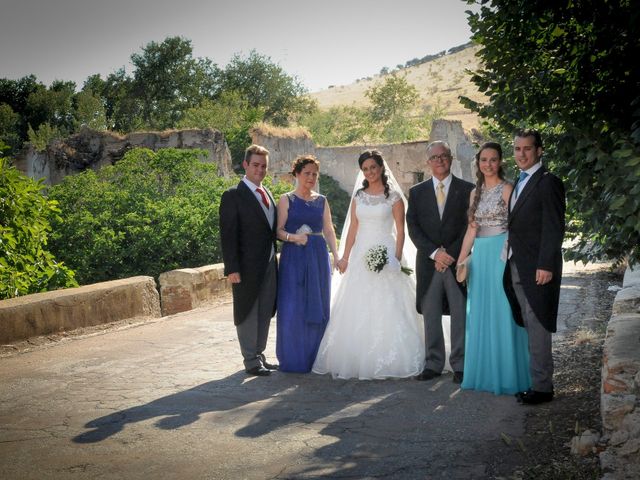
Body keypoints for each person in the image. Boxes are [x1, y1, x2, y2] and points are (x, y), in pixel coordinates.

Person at [312, 150, 425, 380]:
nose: (370, 172)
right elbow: (353, 228)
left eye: (373, 167)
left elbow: (401, 231)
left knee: (391, 304)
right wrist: (344, 257)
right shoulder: (359, 196)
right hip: (362, 254)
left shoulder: (393, 197)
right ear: (362, 171)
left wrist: (395, 257)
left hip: (387, 251)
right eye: (365, 169)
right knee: (358, 305)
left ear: (381, 167)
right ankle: (357, 357)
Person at [456, 142, 531, 395]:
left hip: (501, 254)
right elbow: (471, 229)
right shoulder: (474, 193)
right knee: (480, 313)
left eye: (493, 160)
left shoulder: (508, 189)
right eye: (483, 160)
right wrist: (461, 259)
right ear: (478, 163)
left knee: (503, 311)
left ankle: (509, 376)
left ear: (500, 162)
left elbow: (517, 227)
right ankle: (484, 375)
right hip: (480, 257)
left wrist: (506, 254)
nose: (488, 164)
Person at [503, 129, 565, 405]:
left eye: (527, 148)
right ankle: (536, 381)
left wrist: (546, 264)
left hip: (538, 267)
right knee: (528, 322)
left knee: (538, 323)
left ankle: (543, 388)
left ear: (539, 150)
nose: (521, 154)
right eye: (517, 149)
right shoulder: (520, 180)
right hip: (517, 263)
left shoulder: (547, 182)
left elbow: (553, 227)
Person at [407, 141, 474, 384]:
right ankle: (433, 364)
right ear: (428, 162)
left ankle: (461, 365)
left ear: (451, 158)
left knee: (459, 314)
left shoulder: (468, 189)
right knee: (431, 313)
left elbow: (469, 225)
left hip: (457, 262)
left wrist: (451, 254)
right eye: (434, 157)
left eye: (443, 156)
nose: (439, 160)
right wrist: (435, 253)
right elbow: (413, 227)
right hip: (429, 263)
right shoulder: (416, 192)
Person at [275, 155, 339, 373]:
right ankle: (294, 358)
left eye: (314, 174)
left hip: (318, 256)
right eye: (307, 173)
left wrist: (336, 255)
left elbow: (329, 230)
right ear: (297, 174)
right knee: (293, 305)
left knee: (318, 303)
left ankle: (316, 358)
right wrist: (294, 238)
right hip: (293, 256)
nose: (311, 178)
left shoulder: (322, 200)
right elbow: (278, 231)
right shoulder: (286, 199)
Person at [219, 144, 279, 377]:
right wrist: (232, 268)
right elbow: (228, 234)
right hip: (244, 267)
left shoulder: (268, 194)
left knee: (265, 311)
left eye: (264, 166)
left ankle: (259, 354)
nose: (260, 170)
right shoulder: (233, 195)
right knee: (247, 312)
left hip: (268, 264)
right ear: (245, 165)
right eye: (255, 165)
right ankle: (250, 360)